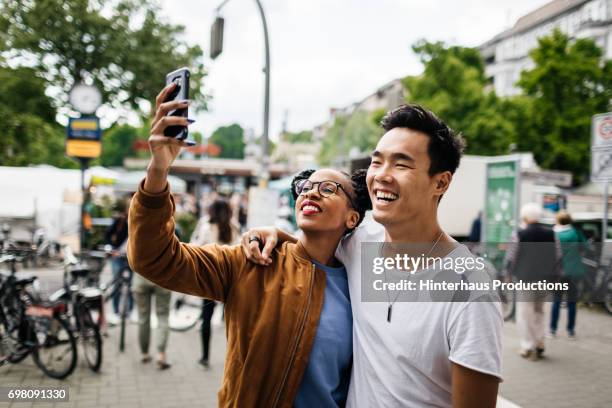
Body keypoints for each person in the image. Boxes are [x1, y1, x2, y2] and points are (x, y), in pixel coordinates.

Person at [127, 82, 371, 407]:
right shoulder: (251, 263)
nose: (310, 192)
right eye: (306, 186)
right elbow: (153, 258)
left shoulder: (360, 279)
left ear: (352, 218)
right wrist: (159, 169)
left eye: (328, 188)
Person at [243, 104, 503, 408]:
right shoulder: (359, 243)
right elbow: (313, 243)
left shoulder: (471, 289)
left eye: (401, 165)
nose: (381, 176)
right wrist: (272, 233)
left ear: (440, 182)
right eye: (377, 162)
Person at [190, 199, 241, 368]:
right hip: (230, 279)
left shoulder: (206, 226)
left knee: (206, 318)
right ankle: (233, 357)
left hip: (210, 279)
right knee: (232, 322)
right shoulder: (234, 227)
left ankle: (205, 356)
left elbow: (197, 248)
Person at [505, 203, 559, 360]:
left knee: (524, 313)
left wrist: (508, 275)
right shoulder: (551, 234)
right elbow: (558, 256)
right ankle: (540, 342)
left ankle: (527, 346)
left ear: (525, 217)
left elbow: (511, 257)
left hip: (525, 278)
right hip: (545, 279)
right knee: (539, 311)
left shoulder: (520, 234)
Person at [549, 210, 586, 340]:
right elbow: (585, 247)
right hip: (574, 271)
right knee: (572, 302)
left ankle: (552, 330)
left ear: (558, 220)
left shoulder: (553, 234)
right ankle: (571, 331)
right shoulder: (576, 233)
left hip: (558, 273)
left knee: (556, 301)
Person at [133, 274, 172, 370]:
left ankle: (144, 354)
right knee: (162, 316)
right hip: (163, 276)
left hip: (141, 277)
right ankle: (161, 355)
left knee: (143, 318)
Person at [104, 198, 134, 324]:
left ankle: (130, 312)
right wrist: (112, 249)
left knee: (132, 286)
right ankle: (116, 312)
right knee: (117, 284)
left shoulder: (140, 223)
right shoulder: (120, 221)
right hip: (118, 257)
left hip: (132, 259)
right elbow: (106, 236)